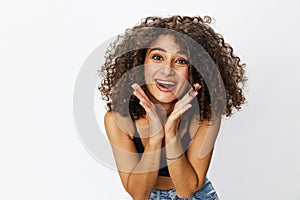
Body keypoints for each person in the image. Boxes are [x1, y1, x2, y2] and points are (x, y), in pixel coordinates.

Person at [98, 15, 246, 200]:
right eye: (158, 57)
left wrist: (171, 133)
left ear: (195, 72)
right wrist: (155, 137)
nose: (167, 70)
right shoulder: (118, 119)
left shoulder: (206, 117)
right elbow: (138, 194)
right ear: (140, 62)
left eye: (181, 61)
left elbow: (187, 190)